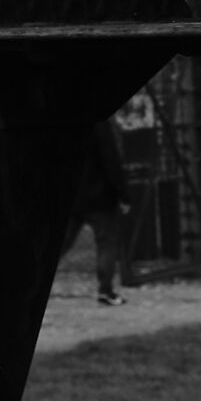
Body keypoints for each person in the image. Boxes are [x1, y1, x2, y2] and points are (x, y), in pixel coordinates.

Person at [64, 115, 132, 304]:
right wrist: (123, 193)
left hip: (74, 195)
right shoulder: (101, 123)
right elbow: (111, 159)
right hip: (100, 197)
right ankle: (105, 290)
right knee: (107, 243)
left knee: (61, 244)